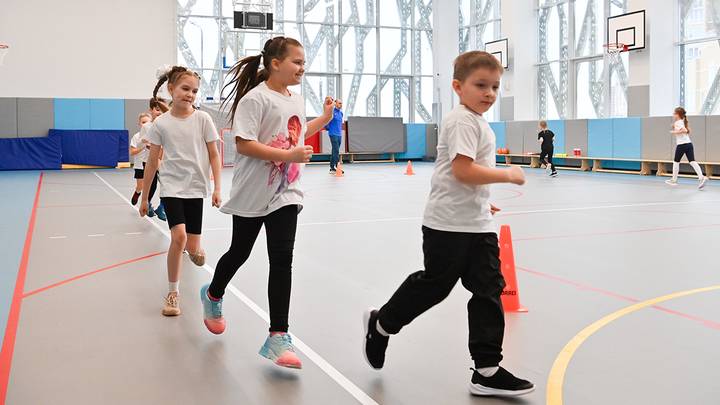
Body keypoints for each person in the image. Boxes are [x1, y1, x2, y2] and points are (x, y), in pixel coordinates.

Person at [362, 50, 535, 397]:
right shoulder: (461, 121)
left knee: (488, 289)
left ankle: (486, 368)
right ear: (458, 86)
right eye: (480, 85)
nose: (489, 93)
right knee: (436, 285)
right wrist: (507, 175)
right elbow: (462, 170)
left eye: (495, 87)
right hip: (446, 226)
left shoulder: (479, 122)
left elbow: (468, 177)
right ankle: (382, 324)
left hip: (477, 223)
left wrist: (484, 200)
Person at [199, 37, 334, 370]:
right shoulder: (255, 99)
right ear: (276, 63)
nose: (303, 68)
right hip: (252, 192)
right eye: (297, 62)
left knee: (282, 260)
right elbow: (244, 145)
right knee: (240, 252)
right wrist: (287, 154)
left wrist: (325, 118)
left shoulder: (297, 99)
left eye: (304, 63)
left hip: (286, 193)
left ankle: (278, 335)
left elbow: (298, 133)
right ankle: (213, 293)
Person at [139, 66, 222, 316]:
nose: (190, 94)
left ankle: (197, 250)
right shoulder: (160, 124)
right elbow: (152, 163)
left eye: (194, 91)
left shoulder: (203, 119)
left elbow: (214, 154)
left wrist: (218, 187)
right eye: (185, 89)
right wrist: (145, 198)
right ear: (171, 89)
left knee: (193, 249)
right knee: (179, 238)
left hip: (196, 188)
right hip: (172, 188)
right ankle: (173, 293)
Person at [666, 107, 709, 190]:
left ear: (678, 115)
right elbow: (685, 130)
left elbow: (685, 130)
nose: (673, 115)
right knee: (692, 161)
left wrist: (674, 132)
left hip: (682, 145)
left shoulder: (678, 122)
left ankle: (674, 180)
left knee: (676, 162)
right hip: (689, 144)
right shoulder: (682, 121)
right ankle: (702, 177)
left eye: (674, 113)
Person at [325, 98, 344, 174]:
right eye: (339, 103)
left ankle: (332, 167)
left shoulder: (341, 113)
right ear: (335, 104)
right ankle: (336, 166)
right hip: (333, 134)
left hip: (339, 134)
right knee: (336, 150)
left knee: (334, 150)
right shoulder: (332, 112)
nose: (341, 105)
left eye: (341, 103)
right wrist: (330, 129)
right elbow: (326, 122)